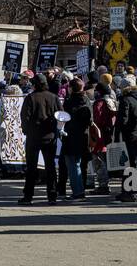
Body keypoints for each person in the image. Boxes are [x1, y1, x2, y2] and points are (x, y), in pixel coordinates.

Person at [18, 73, 60, 205]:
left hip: (34, 137)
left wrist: (26, 131)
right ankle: (52, 195)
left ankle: (28, 196)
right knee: (50, 167)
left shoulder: (31, 98)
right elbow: (61, 115)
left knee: (31, 168)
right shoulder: (54, 97)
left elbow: (25, 117)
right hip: (50, 136)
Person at [62, 77, 93, 201]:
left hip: (71, 136)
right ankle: (80, 190)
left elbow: (64, 117)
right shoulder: (87, 100)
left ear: (71, 88)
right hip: (83, 136)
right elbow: (90, 120)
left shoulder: (69, 102)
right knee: (79, 164)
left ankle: (78, 192)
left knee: (73, 165)